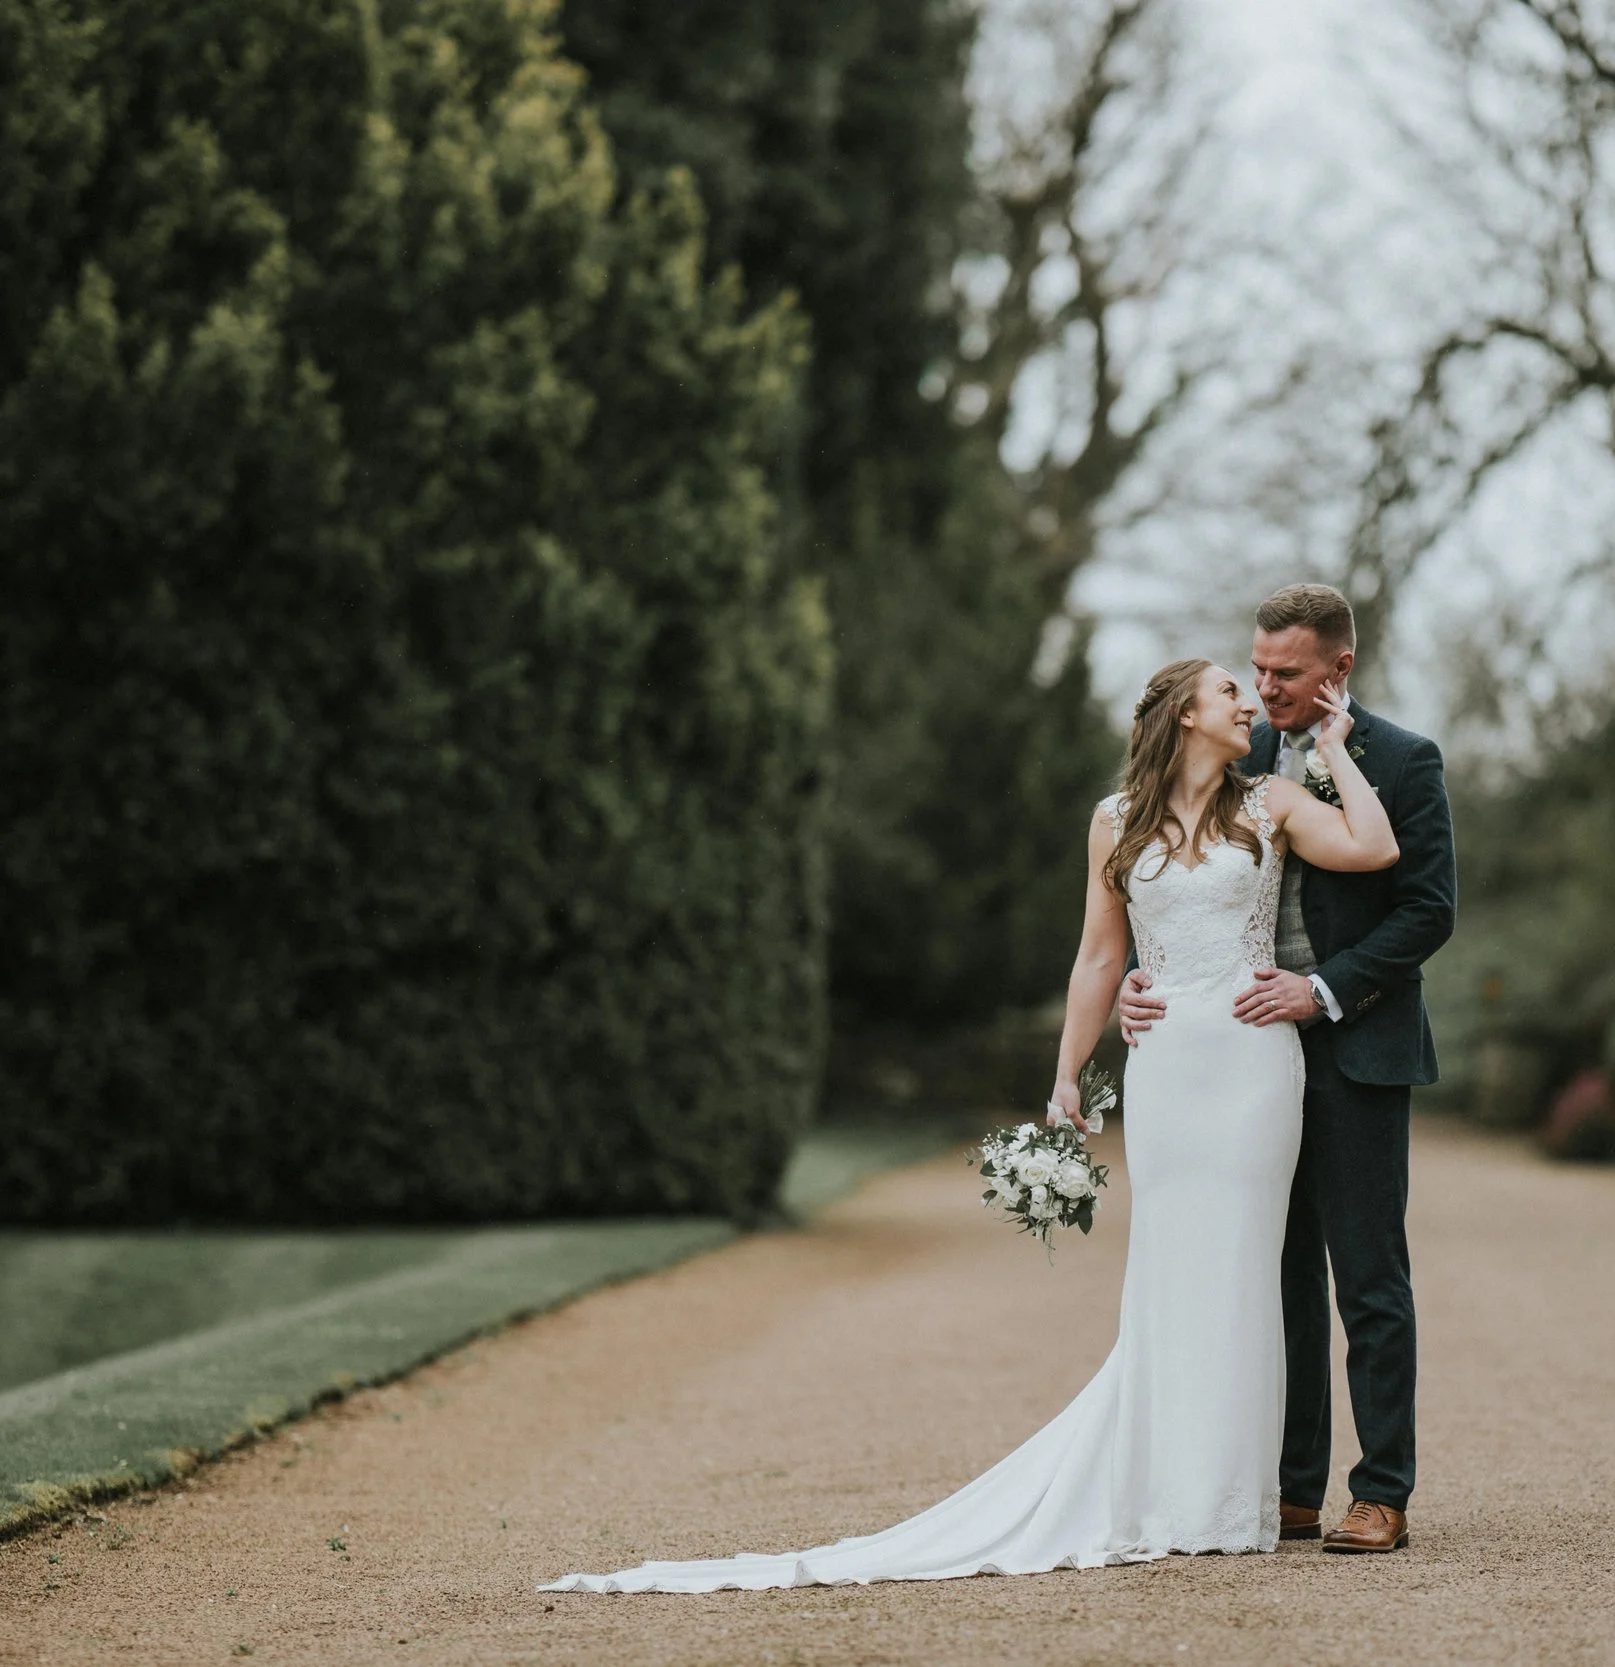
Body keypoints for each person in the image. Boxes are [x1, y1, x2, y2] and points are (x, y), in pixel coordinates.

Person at [540, 652, 1399, 1592]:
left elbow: (1374, 846)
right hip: (1168, 1069)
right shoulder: (1113, 821)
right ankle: (1170, 1489)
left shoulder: (1270, 802)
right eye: (1231, 691)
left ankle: (1232, 1500)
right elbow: (1095, 958)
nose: (1250, 704)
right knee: (1168, 1264)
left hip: (1250, 1064)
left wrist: (1334, 748)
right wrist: (1066, 1075)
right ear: (1185, 716)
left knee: (1242, 1264)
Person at [1119, 583, 1456, 1555]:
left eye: (1288, 673)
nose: (1265, 687)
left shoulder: (1402, 759)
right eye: (1256, 669)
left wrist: (1323, 991)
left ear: (1338, 668)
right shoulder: (1240, 754)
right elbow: (1172, 883)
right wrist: (1152, 979)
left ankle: (1381, 1488)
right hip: (1240, 1056)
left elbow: (1426, 909)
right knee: (1274, 1268)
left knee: (1366, 1273)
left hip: (1354, 1046)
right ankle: (1292, 1484)